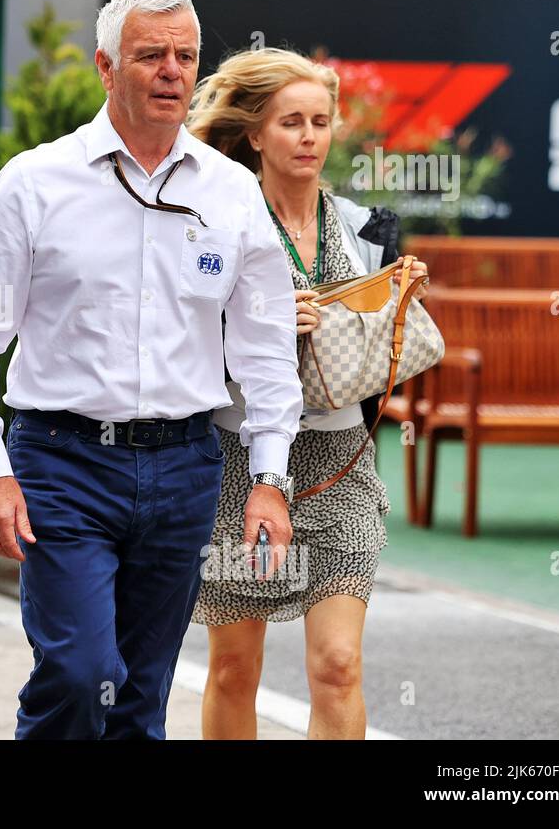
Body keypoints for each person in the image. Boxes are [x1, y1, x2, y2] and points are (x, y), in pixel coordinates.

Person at [0, 0, 304, 740]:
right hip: (61, 463)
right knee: (79, 673)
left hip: (183, 467)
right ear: (106, 67)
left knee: (141, 698)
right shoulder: (35, 183)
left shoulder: (231, 193)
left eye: (186, 57)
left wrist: (269, 478)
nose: (172, 71)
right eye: (150, 55)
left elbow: (266, 348)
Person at [185, 47, 426, 739]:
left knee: (339, 664)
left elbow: (384, 345)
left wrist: (389, 301)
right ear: (255, 133)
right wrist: (249, 327)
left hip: (340, 463)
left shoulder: (363, 227)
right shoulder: (217, 221)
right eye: (291, 122)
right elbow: (176, 336)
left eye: (320, 122)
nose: (309, 137)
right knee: (234, 668)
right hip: (239, 461)